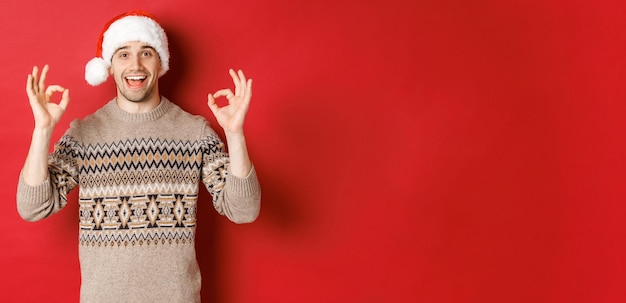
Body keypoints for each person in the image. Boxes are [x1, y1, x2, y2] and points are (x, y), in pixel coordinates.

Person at [16, 10, 261, 303]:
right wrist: (43, 130)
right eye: (123, 54)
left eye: (146, 52)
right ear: (109, 65)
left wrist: (235, 135)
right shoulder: (84, 134)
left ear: (160, 62)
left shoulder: (193, 132)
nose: (135, 65)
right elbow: (33, 207)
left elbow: (243, 210)